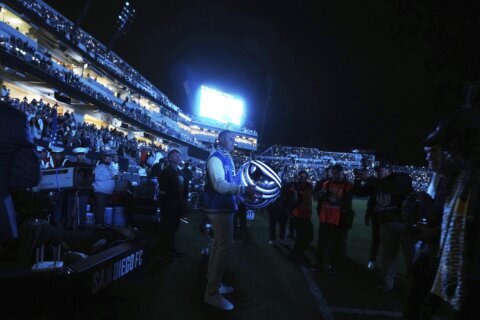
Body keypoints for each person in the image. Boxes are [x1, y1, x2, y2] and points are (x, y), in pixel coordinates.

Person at [423, 108, 480, 319]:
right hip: (454, 287)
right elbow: (454, 238)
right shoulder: (458, 179)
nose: (442, 152)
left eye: (447, 145)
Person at [202, 130, 255, 311]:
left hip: (223, 206)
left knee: (218, 245)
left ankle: (213, 282)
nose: (235, 141)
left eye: (235, 139)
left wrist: (240, 196)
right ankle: (211, 293)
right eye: (231, 138)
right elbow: (219, 185)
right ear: (221, 139)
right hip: (218, 207)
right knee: (223, 246)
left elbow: (227, 183)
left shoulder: (225, 157)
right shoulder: (216, 157)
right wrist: (242, 190)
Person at [355, 160, 414, 292]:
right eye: (376, 171)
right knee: (388, 255)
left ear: (389, 169)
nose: (378, 173)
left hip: (404, 224)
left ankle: (415, 287)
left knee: (410, 257)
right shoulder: (376, 182)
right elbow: (358, 192)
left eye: (380, 170)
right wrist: (358, 179)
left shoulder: (401, 178)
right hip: (387, 224)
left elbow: (393, 188)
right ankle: (387, 284)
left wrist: (369, 179)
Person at [314, 164, 354, 274]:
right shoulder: (326, 184)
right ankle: (319, 265)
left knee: (336, 246)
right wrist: (324, 196)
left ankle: (333, 266)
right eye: (333, 173)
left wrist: (333, 198)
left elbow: (346, 203)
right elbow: (317, 194)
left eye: (337, 173)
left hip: (339, 221)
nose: (334, 175)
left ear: (342, 173)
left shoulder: (348, 186)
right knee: (322, 244)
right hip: (325, 218)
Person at [157, 149, 187, 263]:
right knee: (166, 230)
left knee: (173, 229)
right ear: (169, 158)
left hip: (177, 206)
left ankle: (171, 249)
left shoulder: (179, 172)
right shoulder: (166, 172)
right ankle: (163, 253)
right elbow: (163, 191)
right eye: (175, 155)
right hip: (169, 206)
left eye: (179, 155)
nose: (178, 157)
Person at [288, 170, 314, 265]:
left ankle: (298, 254)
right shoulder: (294, 186)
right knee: (301, 237)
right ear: (298, 177)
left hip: (306, 214)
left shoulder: (309, 186)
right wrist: (294, 192)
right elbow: (294, 200)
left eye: (304, 176)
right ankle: (294, 255)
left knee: (309, 236)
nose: (303, 178)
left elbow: (310, 199)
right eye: (301, 176)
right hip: (297, 214)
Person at [64, 147, 93, 228]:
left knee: (83, 209)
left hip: (84, 191)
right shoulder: (70, 165)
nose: (81, 156)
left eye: (82, 154)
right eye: (79, 155)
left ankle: (82, 225)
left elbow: (90, 178)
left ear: (85, 156)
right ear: (76, 156)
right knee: (69, 209)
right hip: (71, 190)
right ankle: (68, 225)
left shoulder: (89, 166)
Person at [93, 150, 117, 226]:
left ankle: (101, 223)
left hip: (107, 192)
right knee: (100, 208)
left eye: (110, 158)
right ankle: (99, 224)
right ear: (103, 159)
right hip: (100, 191)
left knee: (102, 208)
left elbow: (114, 176)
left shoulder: (111, 167)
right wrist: (111, 176)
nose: (108, 160)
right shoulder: (99, 167)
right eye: (107, 158)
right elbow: (97, 177)